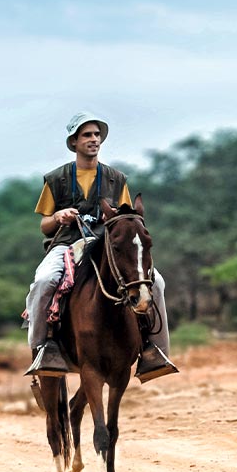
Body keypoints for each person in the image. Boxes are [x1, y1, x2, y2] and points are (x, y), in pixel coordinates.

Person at [24, 112, 179, 382]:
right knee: (44, 280)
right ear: (73, 142)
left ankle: (155, 351)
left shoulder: (116, 179)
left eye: (97, 135)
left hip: (105, 245)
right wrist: (59, 217)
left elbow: (127, 217)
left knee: (157, 283)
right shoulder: (56, 179)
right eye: (87, 135)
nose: (94, 139)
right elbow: (44, 225)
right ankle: (42, 348)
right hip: (66, 245)